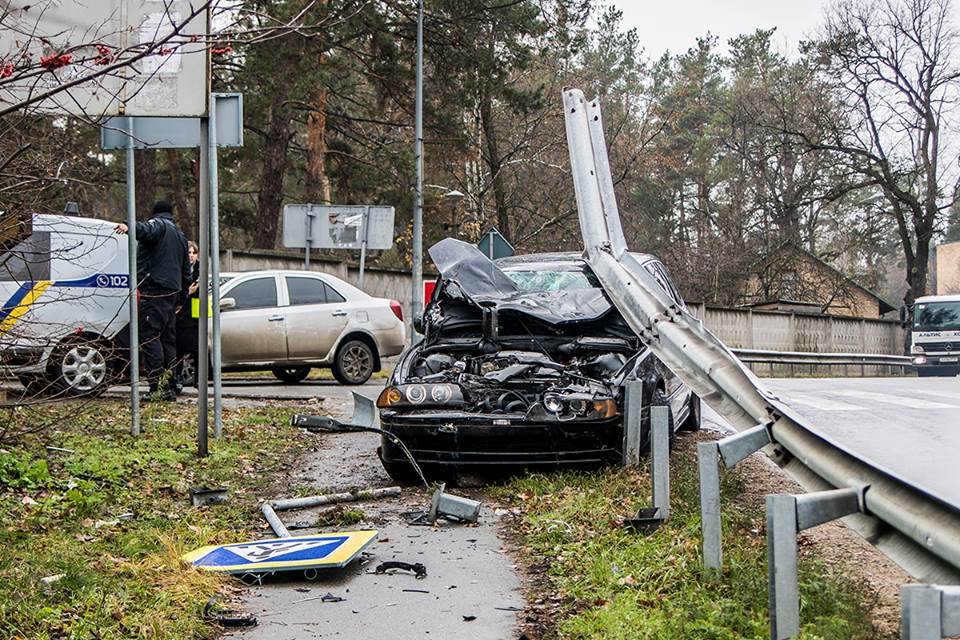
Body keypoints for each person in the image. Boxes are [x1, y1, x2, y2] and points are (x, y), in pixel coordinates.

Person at [115, 201, 190, 401]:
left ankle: (157, 386)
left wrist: (129, 225)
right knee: (167, 340)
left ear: (156, 214)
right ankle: (172, 385)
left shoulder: (159, 225)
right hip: (171, 294)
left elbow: (147, 228)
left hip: (154, 290)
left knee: (150, 337)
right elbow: (186, 273)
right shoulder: (181, 237)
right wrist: (181, 300)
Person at [175, 240, 200, 393]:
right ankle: (177, 379)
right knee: (178, 350)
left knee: (196, 350)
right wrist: (187, 292)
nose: (191, 256)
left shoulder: (201, 269)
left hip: (195, 315)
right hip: (180, 314)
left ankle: (198, 380)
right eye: (189, 253)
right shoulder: (179, 269)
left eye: (194, 253)